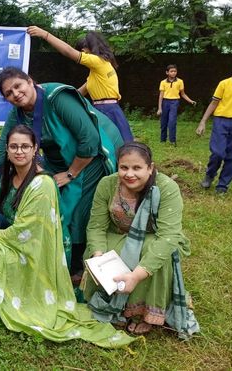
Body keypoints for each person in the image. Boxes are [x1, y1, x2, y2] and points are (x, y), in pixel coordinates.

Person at [0, 125, 134, 348]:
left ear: (35, 150)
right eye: (14, 146)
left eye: (25, 146)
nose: (19, 151)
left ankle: (4, 297)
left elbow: (24, 231)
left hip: (38, 249)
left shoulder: (42, 183)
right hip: (17, 241)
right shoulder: (10, 177)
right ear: (7, 151)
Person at [0, 67, 123, 279]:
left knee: (76, 209)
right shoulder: (17, 114)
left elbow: (89, 138)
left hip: (90, 156)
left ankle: (78, 266)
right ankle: (55, 260)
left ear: (30, 81)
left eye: (18, 86)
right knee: (56, 207)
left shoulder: (57, 98)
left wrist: (71, 174)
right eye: (8, 93)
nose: (15, 94)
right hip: (58, 161)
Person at [83, 142, 198, 338]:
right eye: (124, 167)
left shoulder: (166, 188)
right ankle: (115, 308)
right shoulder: (107, 184)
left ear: (150, 167)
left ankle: (143, 313)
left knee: (153, 253)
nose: (129, 174)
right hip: (118, 234)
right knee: (106, 253)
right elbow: (96, 226)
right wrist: (99, 259)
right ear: (117, 166)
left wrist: (136, 275)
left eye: (137, 168)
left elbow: (169, 236)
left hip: (154, 237)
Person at [27, 26, 134, 142]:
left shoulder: (98, 62)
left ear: (85, 50)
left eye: (82, 51)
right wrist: (55, 101)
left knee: (113, 145)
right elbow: (78, 93)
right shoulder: (99, 71)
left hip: (106, 110)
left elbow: (68, 51)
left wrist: (45, 34)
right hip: (108, 108)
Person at [196, 53, 232, 194]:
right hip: (221, 122)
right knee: (218, 153)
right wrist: (203, 122)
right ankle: (209, 175)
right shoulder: (224, 84)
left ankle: (222, 186)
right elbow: (214, 103)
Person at [157, 64, 196, 145]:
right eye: (171, 71)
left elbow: (183, 94)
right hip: (165, 102)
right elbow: (161, 96)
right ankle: (162, 140)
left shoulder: (180, 81)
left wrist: (191, 101)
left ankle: (172, 141)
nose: (173, 73)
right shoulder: (163, 82)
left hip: (174, 102)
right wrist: (159, 108)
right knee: (163, 122)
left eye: (175, 71)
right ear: (167, 72)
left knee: (172, 122)